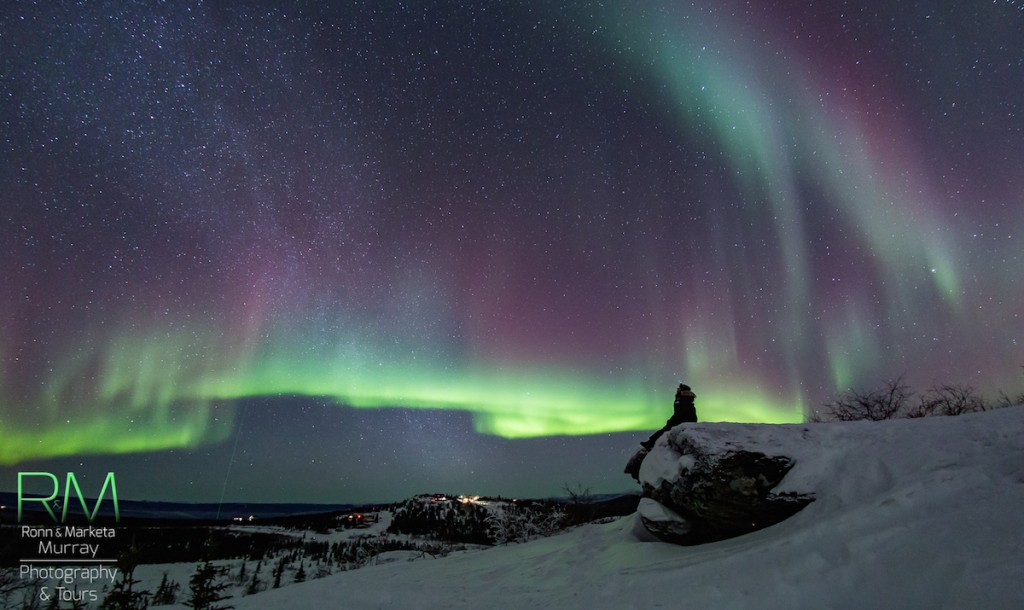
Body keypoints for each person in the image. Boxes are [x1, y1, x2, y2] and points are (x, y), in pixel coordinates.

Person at [640, 383, 698, 450]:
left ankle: (650, 444)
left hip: (683, 422)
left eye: (679, 389)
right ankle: (650, 443)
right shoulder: (684, 399)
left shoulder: (682, 400)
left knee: (663, 431)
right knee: (663, 430)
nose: (677, 390)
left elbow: (680, 414)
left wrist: (671, 422)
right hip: (684, 421)